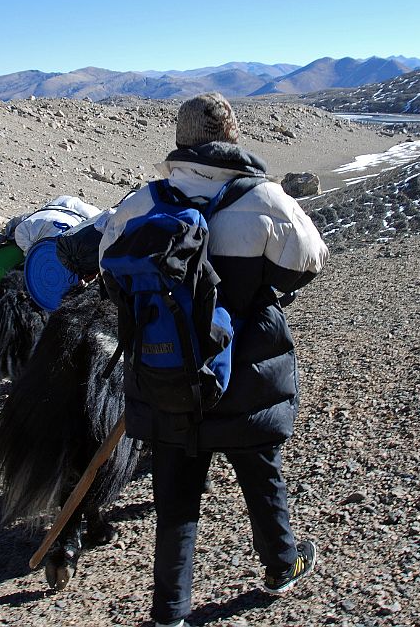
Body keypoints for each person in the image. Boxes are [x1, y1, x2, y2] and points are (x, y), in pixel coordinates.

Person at [97, 93, 328, 627]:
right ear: (233, 133)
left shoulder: (143, 202)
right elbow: (310, 261)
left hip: (166, 373)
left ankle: (170, 611)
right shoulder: (263, 198)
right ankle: (281, 566)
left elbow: (112, 277)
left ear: (181, 140)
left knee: (175, 499)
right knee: (260, 472)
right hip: (243, 373)